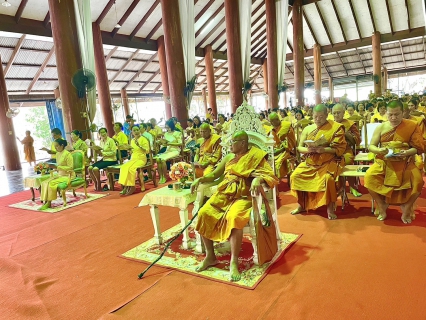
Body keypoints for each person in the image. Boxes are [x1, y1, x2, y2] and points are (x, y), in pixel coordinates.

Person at [191, 130, 279, 281]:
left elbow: (270, 175)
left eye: (233, 142)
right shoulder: (229, 157)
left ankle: (233, 262)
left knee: (234, 217)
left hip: (243, 195)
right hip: (224, 193)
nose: (229, 145)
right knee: (204, 213)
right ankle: (210, 256)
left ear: (243, 143)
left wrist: (258, 180)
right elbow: (215, 175)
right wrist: (200, 179)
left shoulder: (256, 156)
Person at [365, 100, 424, 223]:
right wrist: (379, 150)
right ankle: (381, 205)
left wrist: (407, 152)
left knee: (418, 182)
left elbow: (418, 148)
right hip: (385, 161)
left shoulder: (412, 125)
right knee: (369, 178)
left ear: (403, 113)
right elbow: (371, 146)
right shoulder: (381, 127)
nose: (393, 117)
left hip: (405, 161)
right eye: (390, 114)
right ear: (386, 113)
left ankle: (407, 207)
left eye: (397, 114)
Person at [290, 104, 347, 220]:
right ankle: (301, 204)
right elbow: (299, 148)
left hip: (328, 161)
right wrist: (309, 149)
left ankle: (330, 209)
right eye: (315, 117)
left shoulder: (335, 127)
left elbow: (339, 149)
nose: (318, 119)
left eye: (321, 117)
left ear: (327, 115)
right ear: (312, 115)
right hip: (310, 162)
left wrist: (323, 149)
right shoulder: (307, 129)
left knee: (328, 179)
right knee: (295, 176)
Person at [332, 104, 362, 197]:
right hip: (332, 151)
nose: (336, 115)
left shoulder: (350, 124)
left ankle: (352, 187)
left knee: (346, 162)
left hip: (346, 151)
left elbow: (357, 140)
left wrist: (345, 133)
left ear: (344, 113)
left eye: (338, 113)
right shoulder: (330, 124)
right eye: (334, 113)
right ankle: (335, 188)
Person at [39, 139, 74, 210]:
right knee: (44, 182)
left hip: (68, 175)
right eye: (55, 146)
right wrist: (51, 167)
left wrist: (57, 167)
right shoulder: (58, 154)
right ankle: (45, 202)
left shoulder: (68, 154)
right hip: (60, 174)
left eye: (57, 146)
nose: (55, 148)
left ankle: (48, 203)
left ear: (62, 145)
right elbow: (58, 166)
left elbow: (70, 167)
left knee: (51, 183)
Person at [118, 125, 150, 196]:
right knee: (123, 167)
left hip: (141, 158)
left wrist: (139, 146)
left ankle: (132, 186)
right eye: (134, 130)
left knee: (131, 169)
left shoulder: (143, 139)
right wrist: (128, 148)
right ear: (132, 132)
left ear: (139, 130)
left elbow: (147, 151)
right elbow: (132, 150)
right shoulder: (132, 140)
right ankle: (126, 186)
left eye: (137, 130)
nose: (136, 132)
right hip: (133, 158)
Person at [268, 112, 296, 179]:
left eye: (273, 121)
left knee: (276, 163)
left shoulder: (287, 126)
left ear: (277, 119)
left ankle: (277, 180)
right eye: (270, 121)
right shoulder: (271, 129)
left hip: (286, 150)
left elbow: (291, 142)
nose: (271, 123)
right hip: (274, 150)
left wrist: (280, 150)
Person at [155, 119, 182, 184]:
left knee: (163, 160)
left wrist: (169, 143)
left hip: (175, 150)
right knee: (158, 159)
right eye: (166, 127)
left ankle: (164, 177)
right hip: (168, 150)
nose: (167, 129)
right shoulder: (166, 134)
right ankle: (161, 176)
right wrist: (161, 142)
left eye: (168, 127)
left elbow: (180, 143)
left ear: (172, 126)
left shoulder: (177, 133)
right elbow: (165, 144)